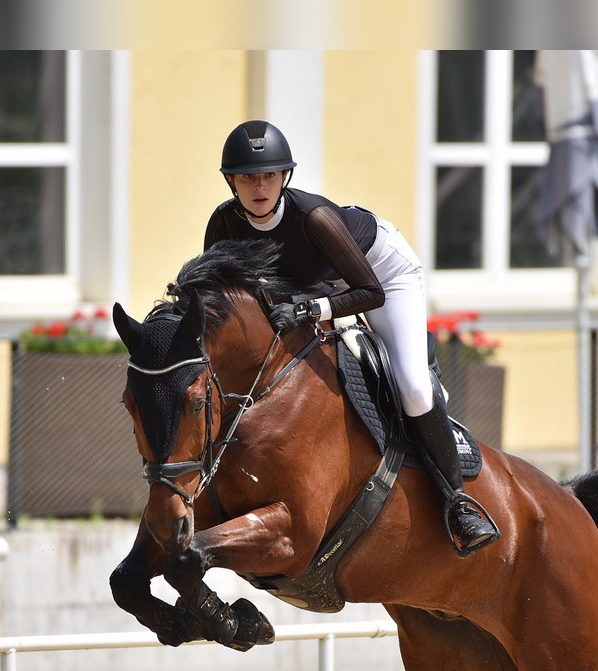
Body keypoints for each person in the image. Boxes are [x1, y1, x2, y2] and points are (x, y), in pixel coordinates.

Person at [203, 120, 499, 556]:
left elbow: (369, 292)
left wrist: (310, 310)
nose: (259, 187)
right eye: (248, 178)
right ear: (231, 182)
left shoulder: (314, 218)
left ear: (284, 177)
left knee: (413, 388)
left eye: (269, 175)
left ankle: (458, 502)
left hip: (379, 273)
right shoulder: (224, 224)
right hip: (315, 284)